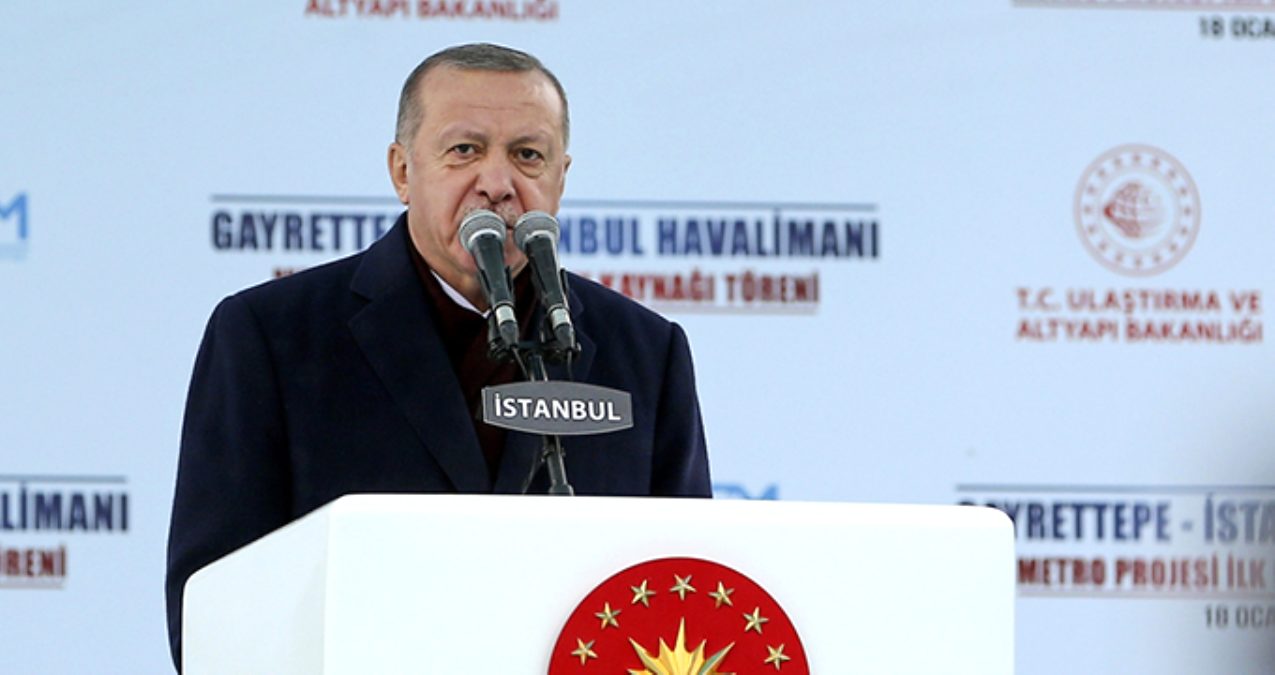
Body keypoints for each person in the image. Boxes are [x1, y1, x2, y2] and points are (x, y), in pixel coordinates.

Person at [164, 43, 711, 670]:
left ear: (561, 179)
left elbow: (687, 589)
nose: (498, 184)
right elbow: (211, 606)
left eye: (528, 155)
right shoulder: (271, 335)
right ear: (402, 172)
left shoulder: (645, 351)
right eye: (465, 150)